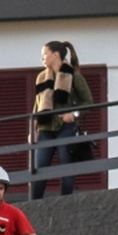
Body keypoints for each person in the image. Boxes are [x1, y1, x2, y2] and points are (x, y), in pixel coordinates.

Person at [30, 40, 92, 199]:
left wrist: (74, 115)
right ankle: (34, 204)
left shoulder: (74, 75)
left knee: (66, 169)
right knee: (39, 168)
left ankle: (66, 202)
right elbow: (37, 106)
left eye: (45, 54)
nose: (42, 58)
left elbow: (88, 102)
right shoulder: (41, 77)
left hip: (66, 127)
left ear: (55, 55)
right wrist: (33, 128)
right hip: (45, 128)